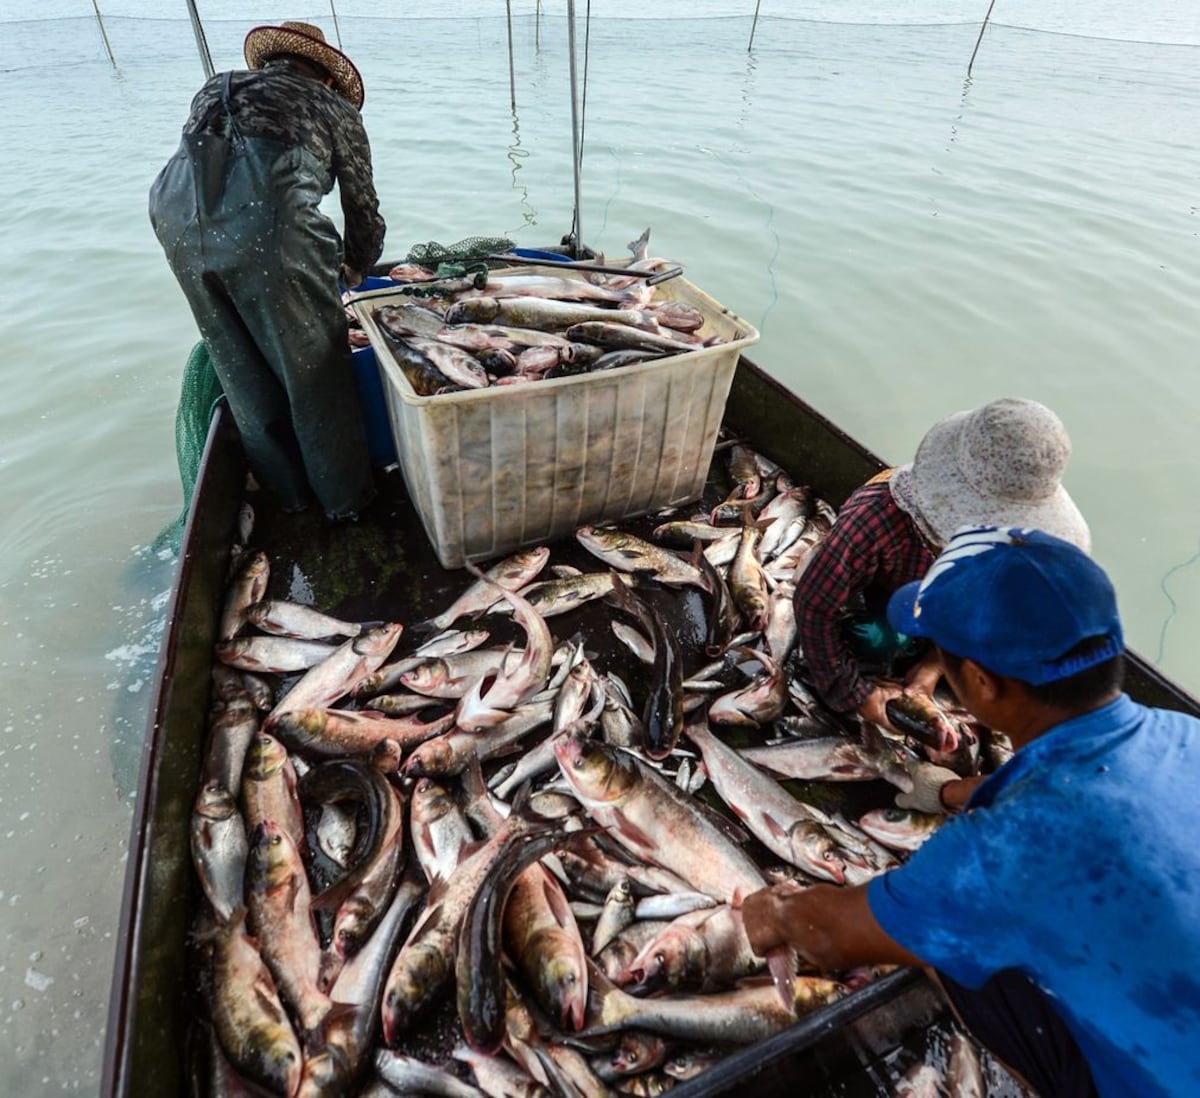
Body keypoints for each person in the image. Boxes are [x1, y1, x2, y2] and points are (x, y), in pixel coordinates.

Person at [743, 525, 1200, 1098]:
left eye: (943, 655)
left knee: (948, 953)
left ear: (980, 683)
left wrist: (776, 914)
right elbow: (1078, 778)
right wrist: (949, 793)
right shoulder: (1185, 734)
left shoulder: (1001, 848)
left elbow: (834, 935)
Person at [149, 21, 385, 520]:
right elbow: (361, 207)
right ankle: (346, 503)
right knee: (317, 373)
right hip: (270, 233)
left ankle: (289, 499)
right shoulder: (334, 108)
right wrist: (358, 266)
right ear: (327, 78)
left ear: (274, 62)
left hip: (177, 224)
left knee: (241, 370)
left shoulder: (216, 87)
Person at [792, 397, 1091, 732]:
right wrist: (860, 696)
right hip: (885, 599)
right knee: (879, 640)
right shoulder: (875, 519)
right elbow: (814, 604)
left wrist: (933, 668)